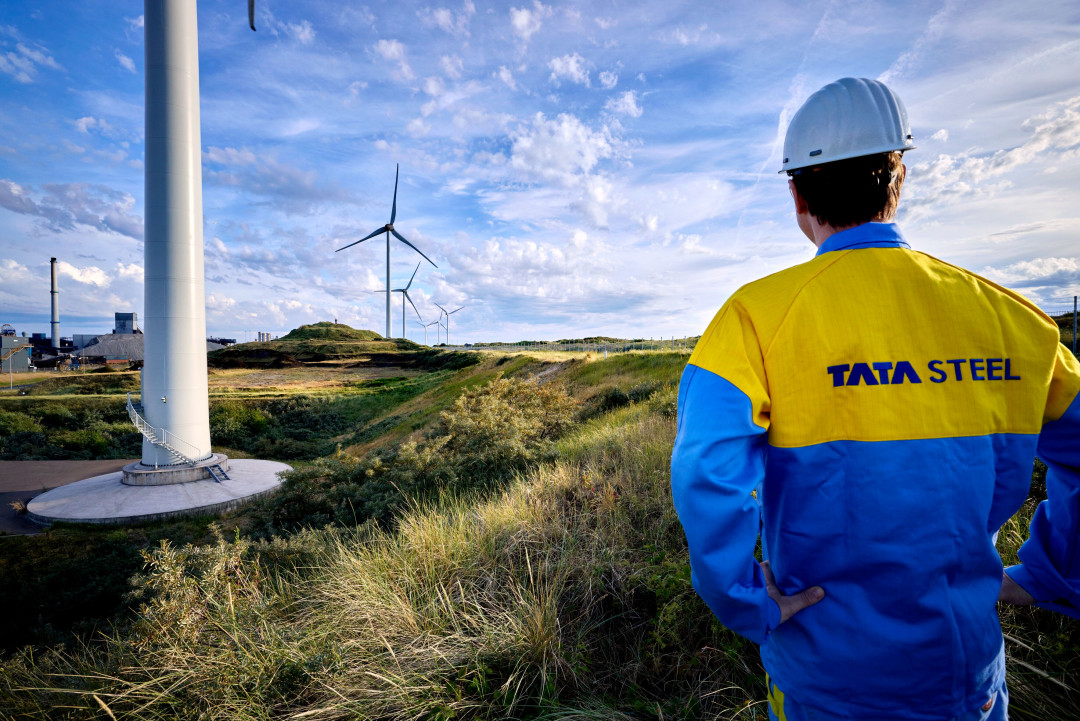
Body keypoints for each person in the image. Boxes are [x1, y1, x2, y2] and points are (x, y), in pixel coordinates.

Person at [670, 77, 1080, 721]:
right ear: (899, 179)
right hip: (965, 677)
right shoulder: (1017, 323)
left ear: (797, 194)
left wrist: (746, 598)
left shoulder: (754, 320)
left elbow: (704, 474)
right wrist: (1052, 575)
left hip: (824, 682)